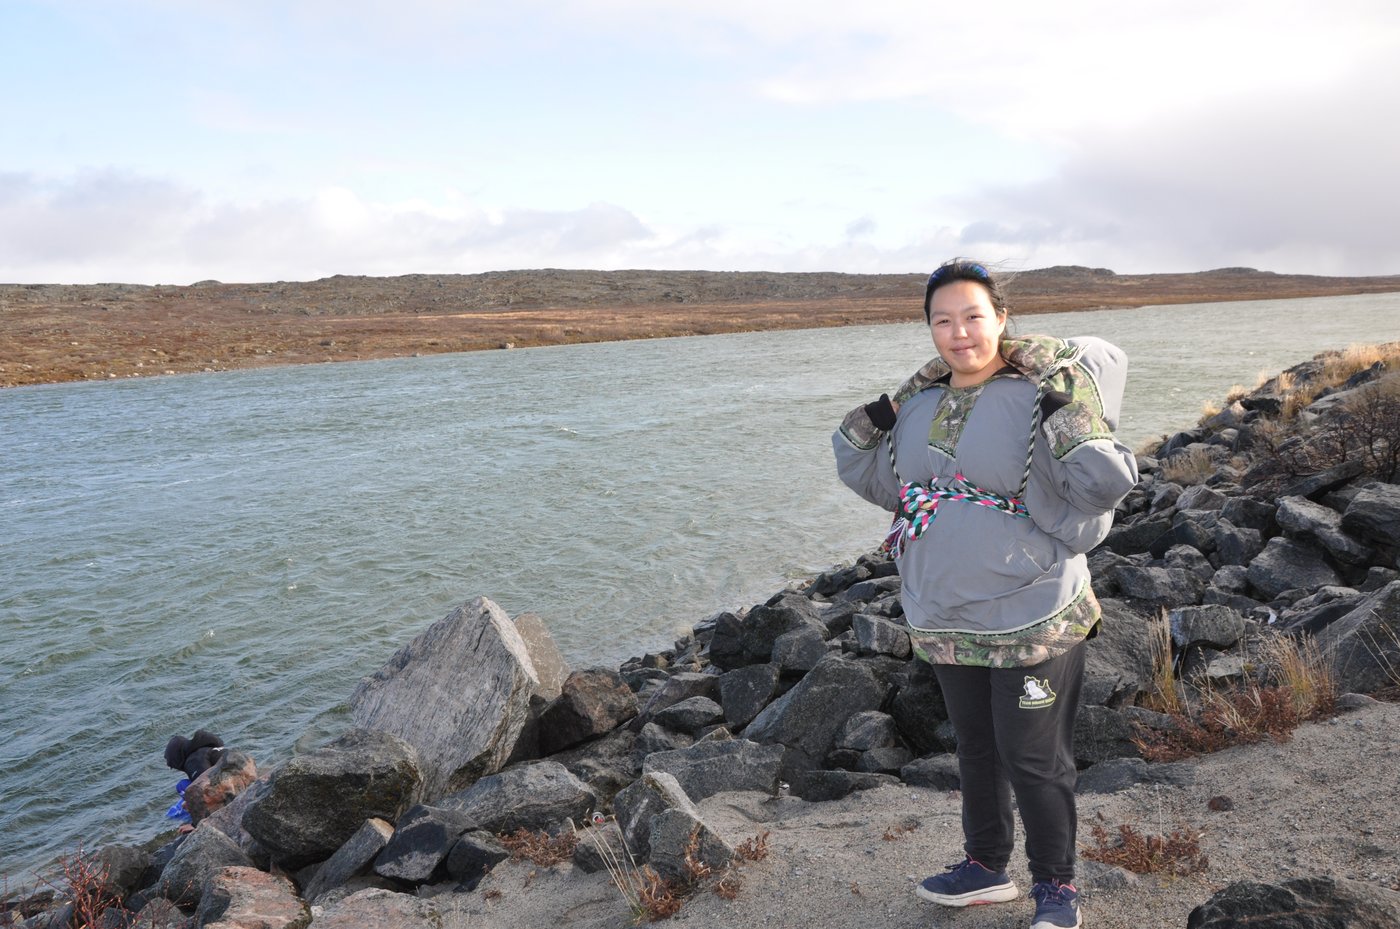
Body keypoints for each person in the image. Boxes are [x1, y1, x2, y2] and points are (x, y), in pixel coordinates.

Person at [832, 259, 1138, 929]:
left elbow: (1102, 486)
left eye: (973, 315)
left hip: (1033, 616)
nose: (958, 332)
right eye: (942, 320)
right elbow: (867, 468)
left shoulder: (1038, 397)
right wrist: (887, 404)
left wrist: (1065, 404)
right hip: (944, 616)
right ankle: (985, 865)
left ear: (1002, 317)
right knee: (974, 748)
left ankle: (1056, 885)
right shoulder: (919, 405)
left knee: (1032, 754)